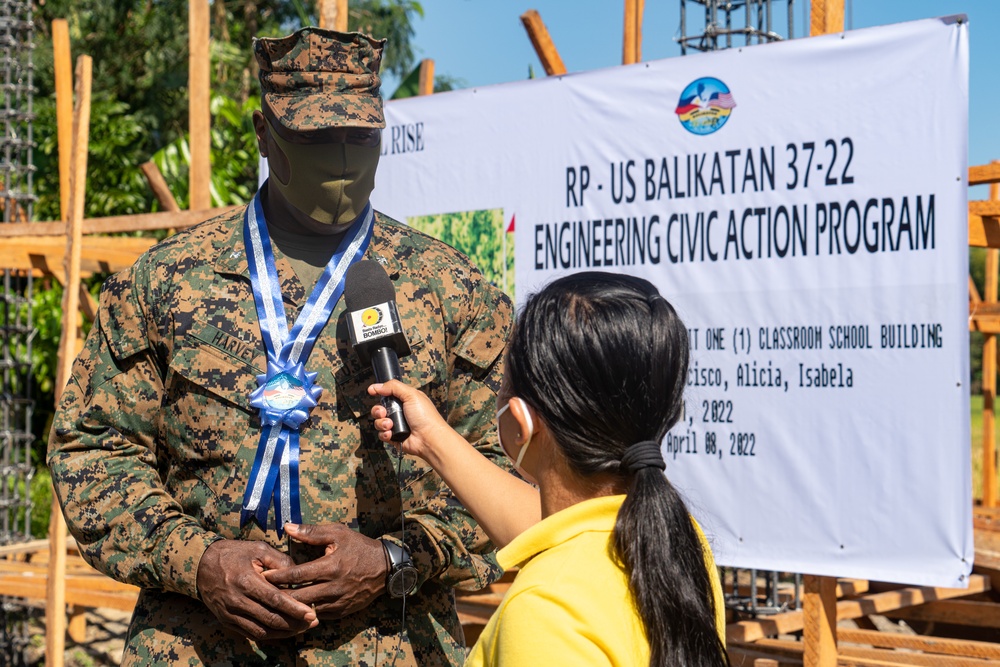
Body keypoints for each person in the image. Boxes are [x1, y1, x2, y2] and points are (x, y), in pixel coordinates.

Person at [47, 27, 513, 666]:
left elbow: (512, 472)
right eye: (317, 138)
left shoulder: (452, 289)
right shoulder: (166, 281)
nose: (344, 160)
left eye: (362, 136)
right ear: (265, 135)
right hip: (199, 646)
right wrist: (198, 561)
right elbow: (90, 449)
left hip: (390, 646)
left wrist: (393, 560)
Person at [370, 271, 730, 667]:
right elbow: (544, 532)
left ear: (522, 422)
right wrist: (433, 439)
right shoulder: (675, 542)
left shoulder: (545, 610)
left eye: (502, 383)